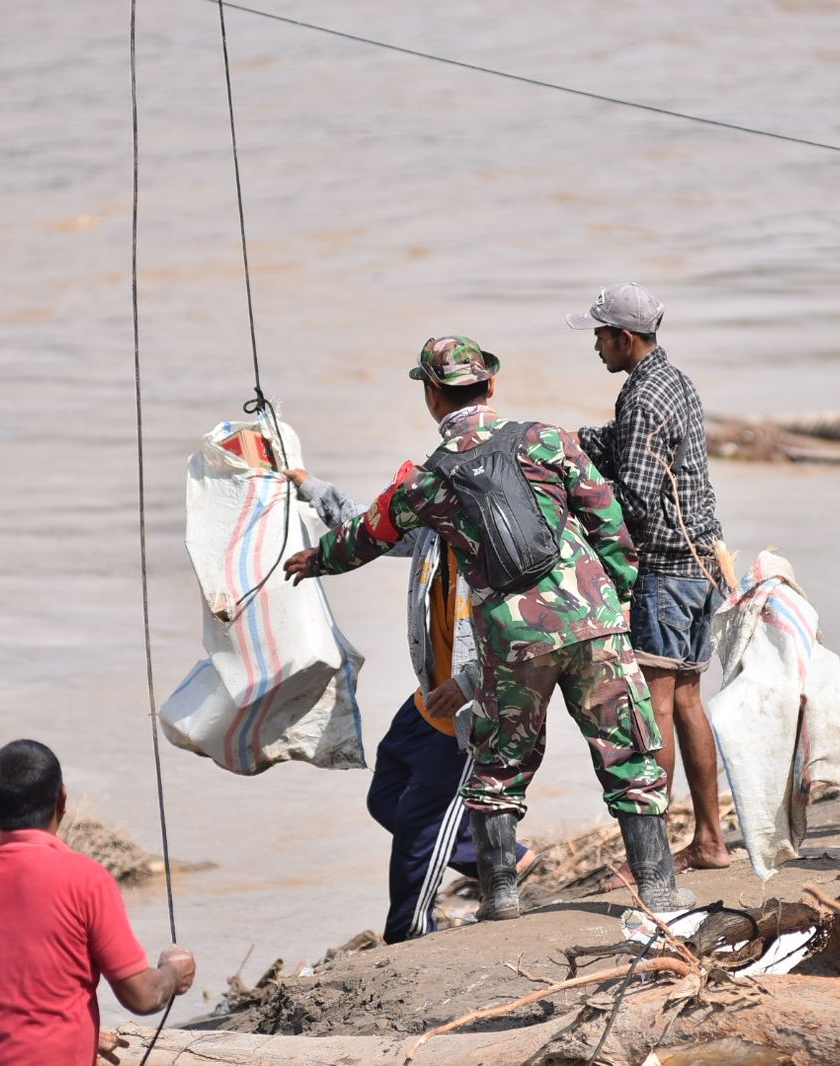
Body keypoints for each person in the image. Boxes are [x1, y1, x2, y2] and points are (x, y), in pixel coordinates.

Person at [284, 336, 691, 914]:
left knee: (500, 763)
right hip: (592, 621)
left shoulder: (429, 481)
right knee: (628, 754)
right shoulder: (545, 438)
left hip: (512, 638)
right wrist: (617, 596)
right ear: (491, 385)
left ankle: (500, 895)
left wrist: (315, 559)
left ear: (431, 397)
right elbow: (608, 517)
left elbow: (368, 534)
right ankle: (658, 887)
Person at [287, 467, 532, 943]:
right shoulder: (428, 530)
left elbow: (522, 635)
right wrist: (309, 486)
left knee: (419, 830)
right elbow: (367, 527)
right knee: (385, 798)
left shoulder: (499, 551)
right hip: (428, 699)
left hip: (468, 709)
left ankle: (409, 933)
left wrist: (468, 682)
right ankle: (499, 855)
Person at [566, 282, 731, 874]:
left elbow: (634, 499)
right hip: (703, 564)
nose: (595, 346)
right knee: (688, 698)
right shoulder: (674, 381)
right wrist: (572, 442)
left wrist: (575, 511)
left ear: (625, 337)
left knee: (654, 705)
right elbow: (635, 452)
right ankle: (711, 840)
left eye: (600, 335)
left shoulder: (639, 399)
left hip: (664, 571)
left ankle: (654, 857)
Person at [0, 740, 196, 1065]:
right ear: (63, 799)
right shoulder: (86, 878)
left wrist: (77, 1033)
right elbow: (142, 996)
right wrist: (173, 973)